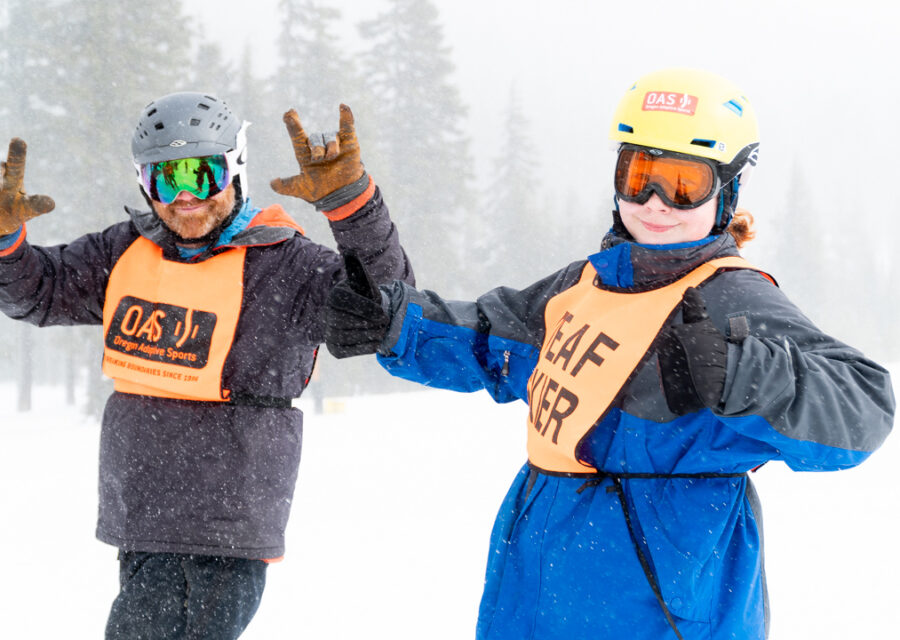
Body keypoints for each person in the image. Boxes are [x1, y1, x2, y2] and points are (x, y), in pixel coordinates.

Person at [322, 68, 895, 639]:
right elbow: (492, 339)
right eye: (639, 174)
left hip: (656, 603)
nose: (655, 202)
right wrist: (398, 324)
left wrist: (742, 373)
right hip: (536, 583)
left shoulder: (731, 295)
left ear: (728, 190)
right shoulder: (587, 283)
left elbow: (864, 407)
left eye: (683, 183)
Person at [0, 92, 413, 639]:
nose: (186, 196)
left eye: (202, 173)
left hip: (226, 526)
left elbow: (387, 309)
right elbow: (39, 291)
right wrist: (5, 240)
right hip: (143, 517)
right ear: (145, 184)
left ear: (234, 169)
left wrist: (352, 205)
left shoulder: (285, 265)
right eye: (166, 180)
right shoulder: (128, 249)